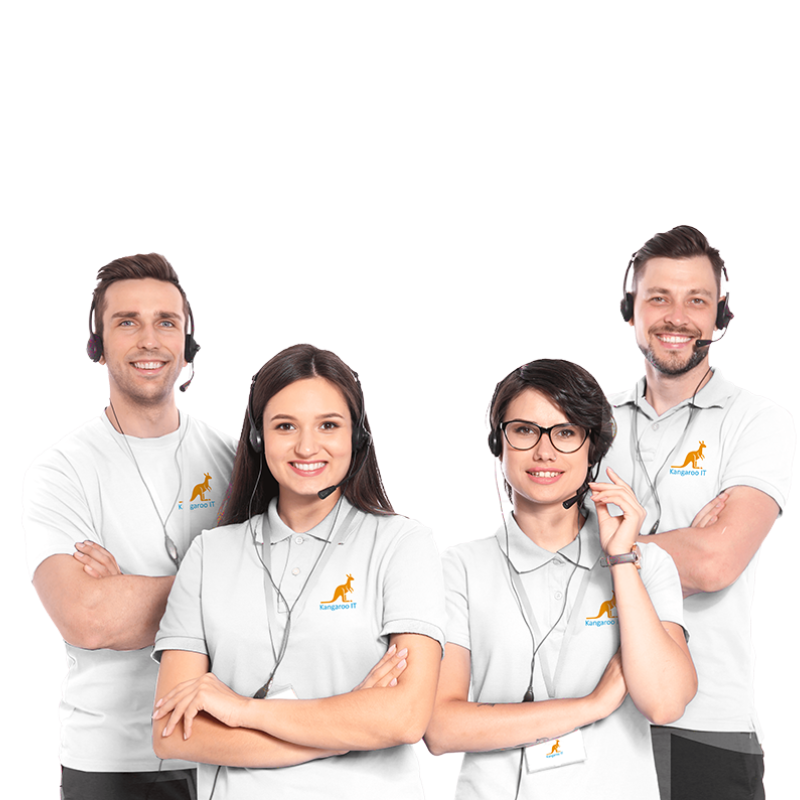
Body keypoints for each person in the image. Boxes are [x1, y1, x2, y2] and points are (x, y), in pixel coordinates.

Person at [150, 342, 446, 800]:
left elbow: (405, 718)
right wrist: (348, 724)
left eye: (328, 425)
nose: (307, 446)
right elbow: (172, 732)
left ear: (357, 437)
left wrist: (240, 710)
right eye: (285, 426)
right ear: (257, 437)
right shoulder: (210, 554)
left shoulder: (404, 544)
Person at [423, 357, 697, 799]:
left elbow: (665, 701)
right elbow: (440, 728)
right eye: (525, 430)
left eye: (566, 433)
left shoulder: (649, 564)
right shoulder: (460, 567)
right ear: (500, 444)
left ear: (593, 447)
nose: (544, 451)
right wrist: (594, 705)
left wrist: (621, 559)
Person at [22, 253, 237, 800]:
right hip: (110, 757)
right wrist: (233, 582)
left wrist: (127, 591)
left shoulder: (237, 461)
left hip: (229, 748)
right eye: (127, 322)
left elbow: (291, 592)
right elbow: (88, 618)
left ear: (187, 340)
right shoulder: (60, 469)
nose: (150, 340)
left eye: (167, 322)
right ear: (97, 341)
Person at [603, 223, 796, 799]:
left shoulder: (759, 420)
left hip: (710, 720)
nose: (676, 316)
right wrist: (679, 545)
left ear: (719, 316)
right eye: (658, 297)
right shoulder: (589, 424)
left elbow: (716, 563)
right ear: (631, 310)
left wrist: (607, 551)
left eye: (697, 300)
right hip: (595, 714)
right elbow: (536, 547)